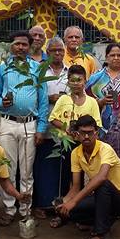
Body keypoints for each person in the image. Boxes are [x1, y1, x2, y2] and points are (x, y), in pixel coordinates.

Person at [0, 30, 49, 225]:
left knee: (26, 171)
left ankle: (25, 209)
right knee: (8, 168)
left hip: (29, 124)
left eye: (24, 44)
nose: (20, 47)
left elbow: (42, 101)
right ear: (11, 46)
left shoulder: (37, 69)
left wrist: (41, 127)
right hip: (7, 122)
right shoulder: (3, 68)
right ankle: (9, 208)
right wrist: (1, 103)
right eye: (17, 44)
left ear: (30, 47)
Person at [56, 115, 120, 239]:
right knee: (69, 211)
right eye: (83, 133)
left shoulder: (105, 149)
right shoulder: (76, 153)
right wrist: (64, 204)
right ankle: (102, 220)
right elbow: (75, 187)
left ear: (96, 133)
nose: (86, 136)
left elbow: (101, 178)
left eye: (90, 133)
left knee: (102, 184)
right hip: (100, 198)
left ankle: (101, 236)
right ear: (76, 134)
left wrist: (74, 201)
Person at [44, 64, 99, 228]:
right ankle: (62, 211)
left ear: (85, 81)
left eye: (79, 80)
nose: (76, 83)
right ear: (68, 82)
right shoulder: (64, 100)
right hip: (66, 144)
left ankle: (79, 212)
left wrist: (83, 134)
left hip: (84, 146)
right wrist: (66, 128)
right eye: (72, 80)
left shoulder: (92, 102)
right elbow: (53, 118)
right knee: (65, 177)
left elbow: (97, 124)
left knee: (81, 179)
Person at [32, 37, 69, 218]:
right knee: (43, 167)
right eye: (54, 50)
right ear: (47, 52)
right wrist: (50, 98)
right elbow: (32, 95)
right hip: (44, 126)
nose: (57, 53)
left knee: (62, 166)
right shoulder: (40, 71)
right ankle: (42, 204)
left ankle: (61, 204)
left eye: (60, 50)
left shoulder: (70, 72)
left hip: (64, 129)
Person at [86, 42, 120, 170]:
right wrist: (100, 102)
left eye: (119, 55)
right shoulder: (97, 77)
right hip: (101, 128)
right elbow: (86, 101)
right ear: (106, 57)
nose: (116, 58)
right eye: (112, 55)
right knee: (101, 164)